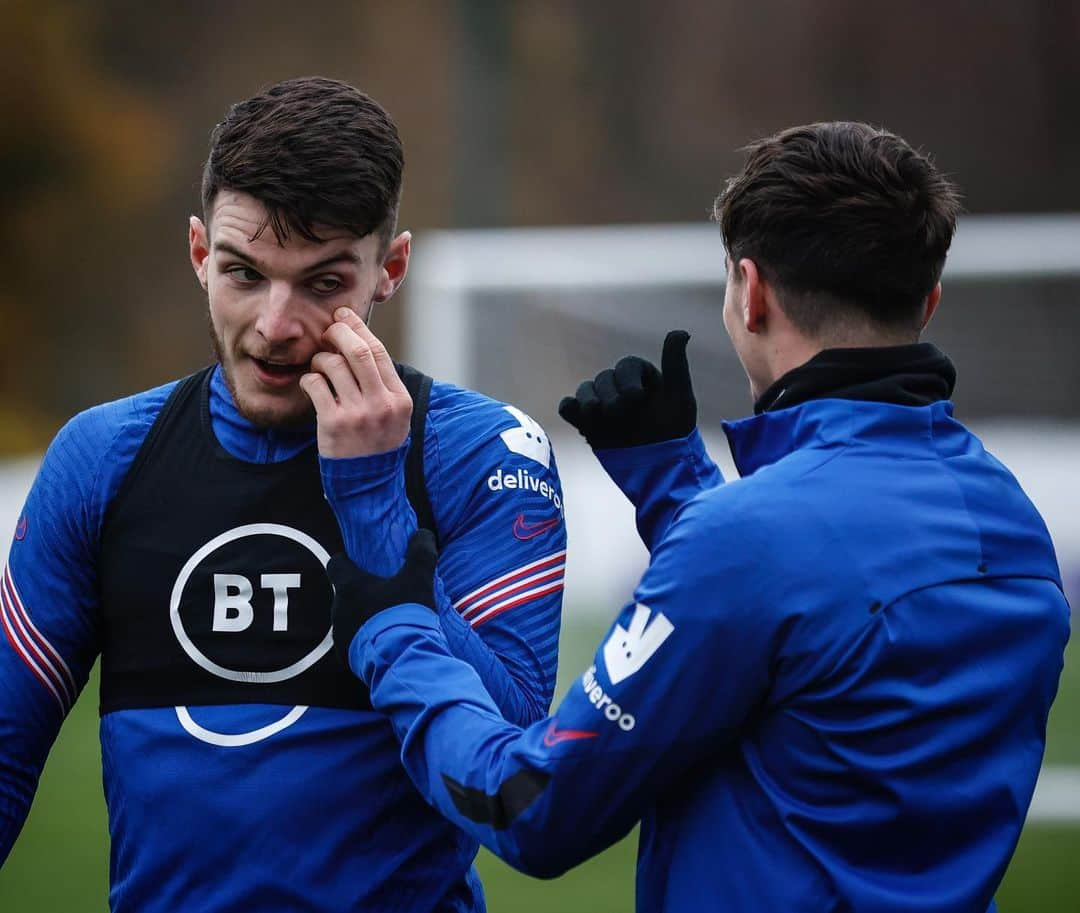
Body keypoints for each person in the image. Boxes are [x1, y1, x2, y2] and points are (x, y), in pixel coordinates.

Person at [325, 122, 1070, 912]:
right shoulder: (1011, 520)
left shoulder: (751, 542)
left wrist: (397, 628)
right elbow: (829, 689)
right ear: (929, 299)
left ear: (751, 291)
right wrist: (674, 483)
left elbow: (531, 805)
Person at [0, 77, 567, 912]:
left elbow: (508, 766)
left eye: (324, 283)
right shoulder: (104, 458)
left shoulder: (474, 452)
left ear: (390, 269)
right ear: (199, 253)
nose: (276, 323)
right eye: (243, 273)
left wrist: (372, 497)